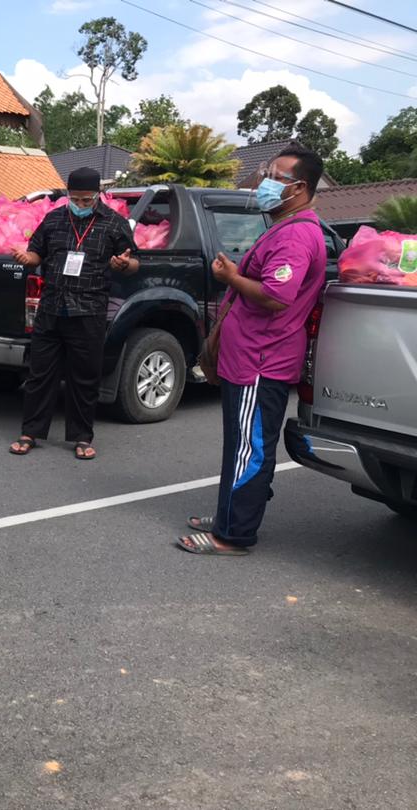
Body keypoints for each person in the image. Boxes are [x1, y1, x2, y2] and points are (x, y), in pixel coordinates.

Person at [178, 146, 327, 556]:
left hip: (262, 360)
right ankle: (231, 514)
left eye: (273, 175)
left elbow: (277, 297)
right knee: (243, 443)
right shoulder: (286, 224)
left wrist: (230, 277)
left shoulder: (297, 233)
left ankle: (234, 535)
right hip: (252, 357)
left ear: (298, 187)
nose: (264, 180)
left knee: (250, 446)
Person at [9, 167, 139, 459]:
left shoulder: (114, 224)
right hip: (52, 308)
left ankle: (82, 437)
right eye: (75, 199)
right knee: (40, 374)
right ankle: (30, 432)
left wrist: (123, 264)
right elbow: (36, 254)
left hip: (89, 311)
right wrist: (24, 257)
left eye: (86, 200)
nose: (80, 205)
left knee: (84, 377)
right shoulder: (54, 219)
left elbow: (134, 263)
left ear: (97, 196)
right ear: (67, 195)